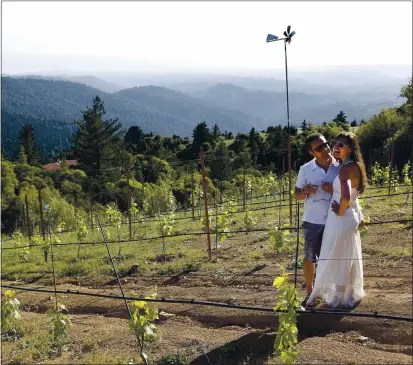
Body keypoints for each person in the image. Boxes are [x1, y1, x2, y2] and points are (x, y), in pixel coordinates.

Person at [306, 132, 367, 309]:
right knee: (347, 255)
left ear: (350, 148)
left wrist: (340, 210)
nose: (336, 148)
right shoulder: (354, 165)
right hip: (350, 218)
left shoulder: (344, 169)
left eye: (341, 145)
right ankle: (348, 292)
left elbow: (346, 196)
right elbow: (348, 192)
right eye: (335, 143)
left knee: (336, 255)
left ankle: (338, 298)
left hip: (341, 219)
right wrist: (332, 190)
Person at [295, 133, 340, 305]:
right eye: (319, 148)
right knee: (310, 256)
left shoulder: (339, 165)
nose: (325, 149)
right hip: (313, 220)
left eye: (325, 145)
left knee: (332, 256)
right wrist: (305, 191)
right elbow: (296, 195)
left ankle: (330, 289)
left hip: (335, 218)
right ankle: (309, 288)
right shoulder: (305, 169)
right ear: (311, 152)